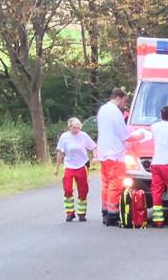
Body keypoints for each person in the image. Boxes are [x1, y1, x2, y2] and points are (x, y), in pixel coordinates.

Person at [95, 87, 129, 226]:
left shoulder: (102, 110)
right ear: (119, 98)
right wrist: (139, 137)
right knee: (116, 184)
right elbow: (124, 134)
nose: (124, 104)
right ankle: (113, 215)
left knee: (106, 184)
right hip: (115, 153)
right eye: (124, 101)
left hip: (103, 153)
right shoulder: (115, 112)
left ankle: (105, 211)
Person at [54, 118, 96, 222]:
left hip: (82, 165)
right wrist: (57, 167)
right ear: (69, 127)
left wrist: (95, 157)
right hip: (69, 166)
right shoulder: (65, 137)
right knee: (68, 189)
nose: (76, 130)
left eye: (78, 128)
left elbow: (94, 147)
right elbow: (60, 152)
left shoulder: (84, 136)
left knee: (83, 190)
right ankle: (70, 213)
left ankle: (82, 213)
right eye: (74, 128)